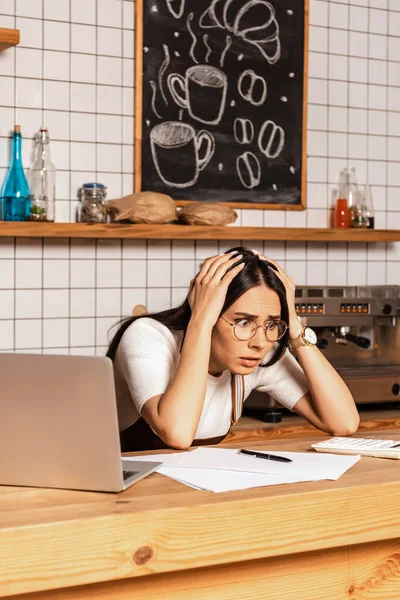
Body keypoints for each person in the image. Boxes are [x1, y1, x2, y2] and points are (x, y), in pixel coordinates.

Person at [107, 247, 360, 451]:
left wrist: (293, 325)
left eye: (271, 323)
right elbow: (177, 433)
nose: (259, 342)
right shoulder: (148, 337)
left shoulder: (261, 354)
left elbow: (344, 423)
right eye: (243, 322)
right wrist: (200, 321)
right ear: (210, 312)